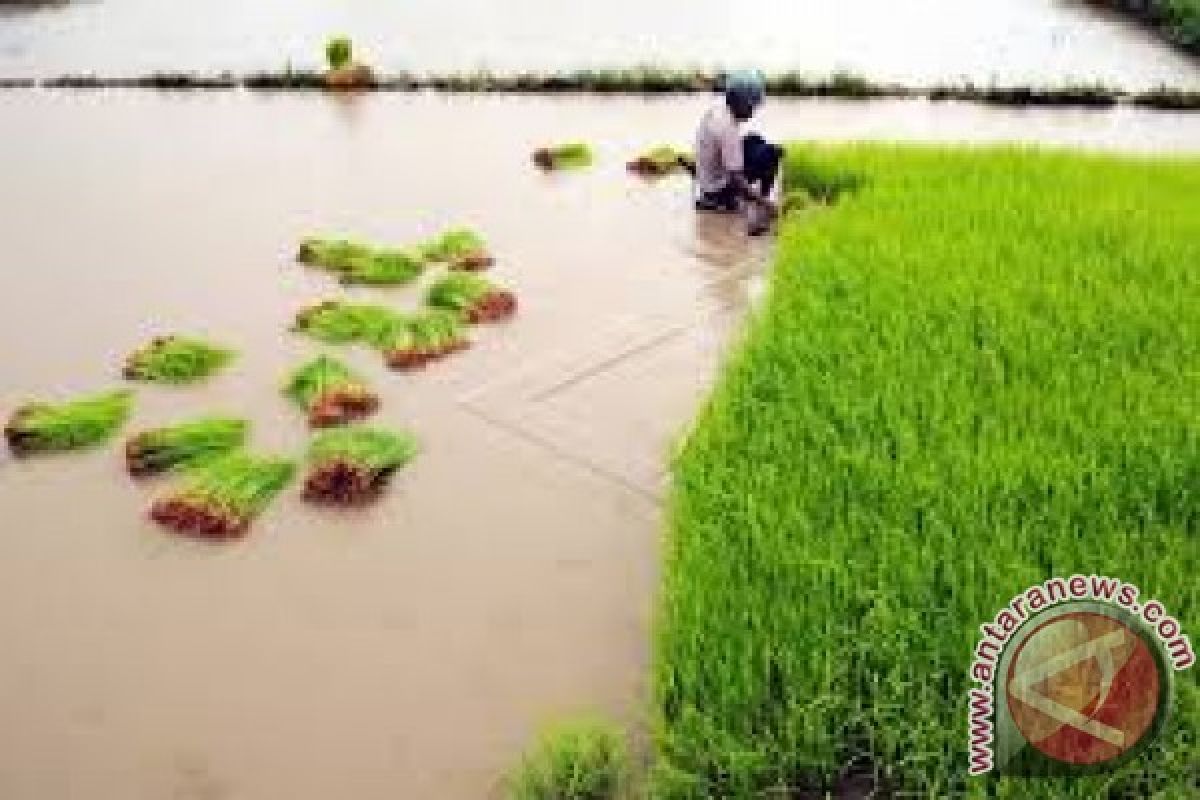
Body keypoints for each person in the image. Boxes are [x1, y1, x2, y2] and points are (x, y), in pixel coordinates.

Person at [693, 70, 782, 236]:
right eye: (752, 106)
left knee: (754, 139)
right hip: (718, 190)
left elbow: (721, 82)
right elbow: (736, 180)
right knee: (773, 153)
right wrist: (767, 204)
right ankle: (760, 209)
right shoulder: (727, 129)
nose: (753, 112)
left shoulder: (721, 108)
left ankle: (755, 201)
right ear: (740, 102)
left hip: (707, 178)